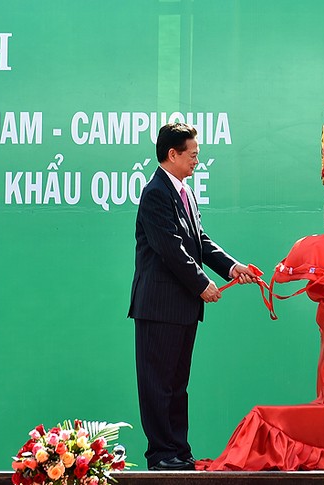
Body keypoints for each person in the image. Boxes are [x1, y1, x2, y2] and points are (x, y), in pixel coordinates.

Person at [129, 122, 258, 471]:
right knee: (158, 384)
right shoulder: (156, 193)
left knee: (176, 384)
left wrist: (232, 268)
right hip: (159, 307)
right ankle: (160, 454)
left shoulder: (184, 192)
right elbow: (170, 249)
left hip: (183, 307)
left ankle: (178, 450)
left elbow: (200, 241)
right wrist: (202, 283)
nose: (197, 161)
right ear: (173, 154)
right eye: (193, 155)